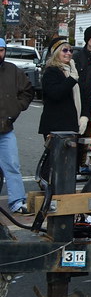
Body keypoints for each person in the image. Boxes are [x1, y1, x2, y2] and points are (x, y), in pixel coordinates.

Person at [0, 38, 36, 215]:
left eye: (1, 50)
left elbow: (28, 91)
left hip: (5, 129)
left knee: (12, 166)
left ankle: (16, 202)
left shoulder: (13, 70)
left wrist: (17, 107)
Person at [39, 37, 82, 181]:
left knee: (68, 162)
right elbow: (55, 94)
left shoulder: (72, 71)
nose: (69, 53)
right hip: (55, 125)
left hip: (70, 123)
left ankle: (63, 188)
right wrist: (71, 80)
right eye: (65, 50)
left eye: (70, 50)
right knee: (54, 160)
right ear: (56, 53)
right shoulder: (51, 72)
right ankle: (46, 185)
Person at [72, 25, 91, 176]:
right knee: (79, 139)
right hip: (80, 106)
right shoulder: (77, 58)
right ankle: (77, 167)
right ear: (87, 39)